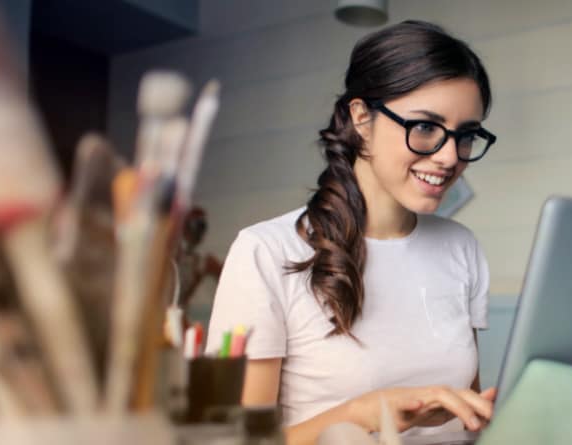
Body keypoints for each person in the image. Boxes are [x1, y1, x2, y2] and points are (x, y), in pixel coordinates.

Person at [206, 20, 497, 445]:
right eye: (425, 128)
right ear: (362, 118)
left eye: (466, 135)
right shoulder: (265, 252)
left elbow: (468, 415)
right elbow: (235, 440)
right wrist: (361, 415)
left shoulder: (461, 247)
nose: (450, 156)